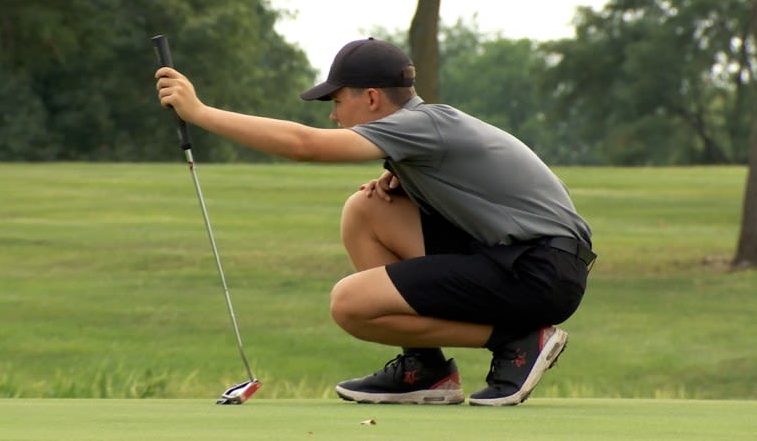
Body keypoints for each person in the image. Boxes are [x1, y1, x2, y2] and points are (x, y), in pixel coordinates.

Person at [155, 37, 595, 406]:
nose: (333, 114)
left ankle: (515, 342)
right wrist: (405, 177)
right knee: (365, 210)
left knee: (350, 304)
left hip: (539, 272)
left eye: (337, 100)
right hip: (523, 261)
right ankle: (424, 370)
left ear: (370, 98)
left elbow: (304, 144)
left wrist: (199, 112)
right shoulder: (424, 130)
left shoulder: (418, 125)